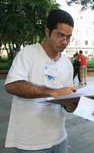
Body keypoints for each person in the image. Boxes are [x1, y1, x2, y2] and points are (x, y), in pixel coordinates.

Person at [4, 9, 77, 153]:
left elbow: (65, 100)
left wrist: (71, 104)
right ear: (47, 31)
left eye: (69, 37)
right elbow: (12, 85)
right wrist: (52, 92)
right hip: (31, 142)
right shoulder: (28, 53)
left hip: (60, 138)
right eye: (60, 35)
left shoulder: (67, 64)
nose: (65, 42)